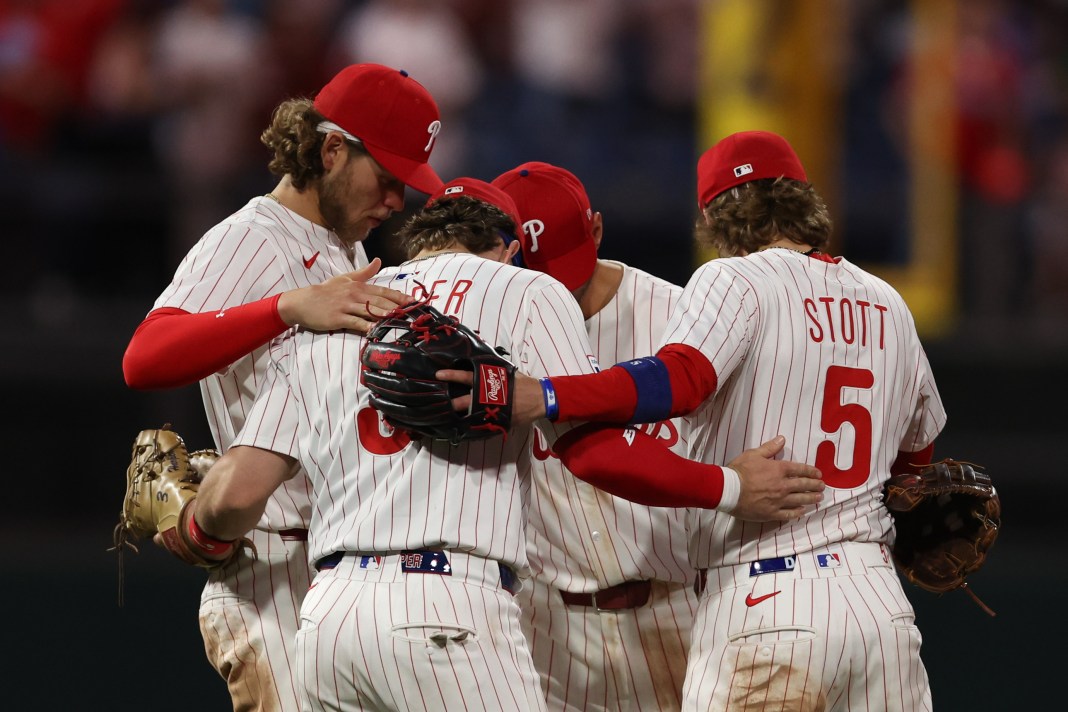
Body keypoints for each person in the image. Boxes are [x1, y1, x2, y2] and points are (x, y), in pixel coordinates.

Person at [171, 179, 822, 711]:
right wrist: (731, 487)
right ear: (508, 249)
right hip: (448, 607)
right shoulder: (522, 291)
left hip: (330, 619)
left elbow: (240, 490)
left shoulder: (343, 305)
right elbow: (589, 452)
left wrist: (195, 532)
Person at [478, 131, 946, 710]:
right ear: (803, 198)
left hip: (765, 601)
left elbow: (680, 379)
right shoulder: (888, 300)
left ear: (713, 216)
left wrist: (548, 394)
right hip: (878, 604)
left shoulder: (732, 281)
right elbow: (917, 461)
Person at [121, 63, 444, 712]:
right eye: (387, 179)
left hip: (345, 566)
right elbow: (144, 358)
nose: (396, 202)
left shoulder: (347, 249)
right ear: (331, 150)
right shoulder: (251, 238)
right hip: (272, 572)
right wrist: (286, 308)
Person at [491, 161, 696, 711]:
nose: (551, 296)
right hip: (548, 626)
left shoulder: (682, 317)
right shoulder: (488, 323)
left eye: (561, 275)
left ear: (598, 230)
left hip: (678, 608)